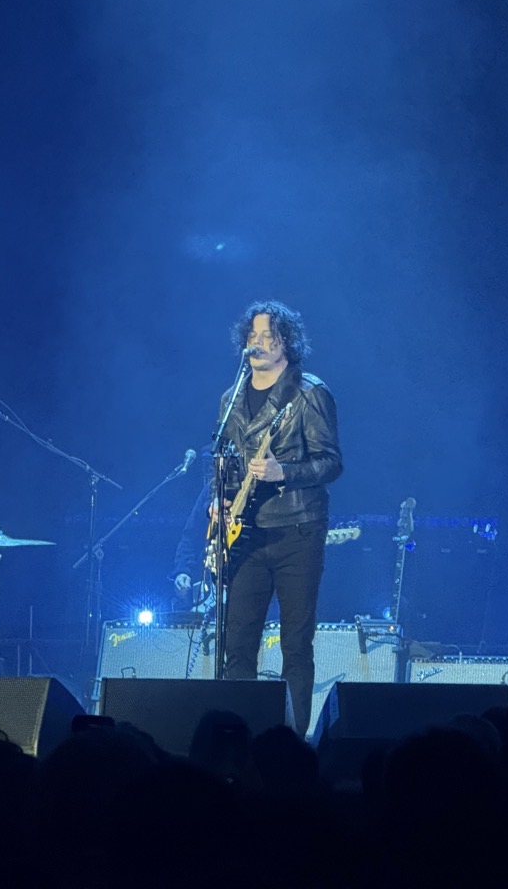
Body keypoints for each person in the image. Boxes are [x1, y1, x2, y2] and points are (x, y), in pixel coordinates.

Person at [212, 300, 342, 738]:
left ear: (286, 343)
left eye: (269, 337)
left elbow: (331, 463)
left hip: (297, 533)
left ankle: (293, 743)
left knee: (295, 645)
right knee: (237, 643)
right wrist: (221, 502)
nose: (259, 344)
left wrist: (284, 471)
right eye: (252, 337)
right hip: (245, 535)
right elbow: (227, 465)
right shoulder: (230, 399)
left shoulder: (309, 393)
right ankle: (235, 740)